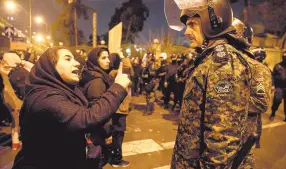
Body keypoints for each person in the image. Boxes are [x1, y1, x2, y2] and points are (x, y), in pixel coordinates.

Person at [165, 0, 252, 168]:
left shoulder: (223, 65)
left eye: (192, 24)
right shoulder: (208, 59)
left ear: (214, 22)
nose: (186, 32)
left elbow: (221, 144)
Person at [12, 46, 130, 169]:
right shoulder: (44, 98)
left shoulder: (65, 90)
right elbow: (88, 117)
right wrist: (118, 88)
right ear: (50, 67)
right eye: (68, 59)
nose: (77, 63)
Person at [270, 51, 286, 122]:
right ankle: (273, 113)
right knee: (277, 99)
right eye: (284, 56)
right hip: (279, 87)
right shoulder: (277, 66)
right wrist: (273, 85)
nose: (284, 58)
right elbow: (272, 76)